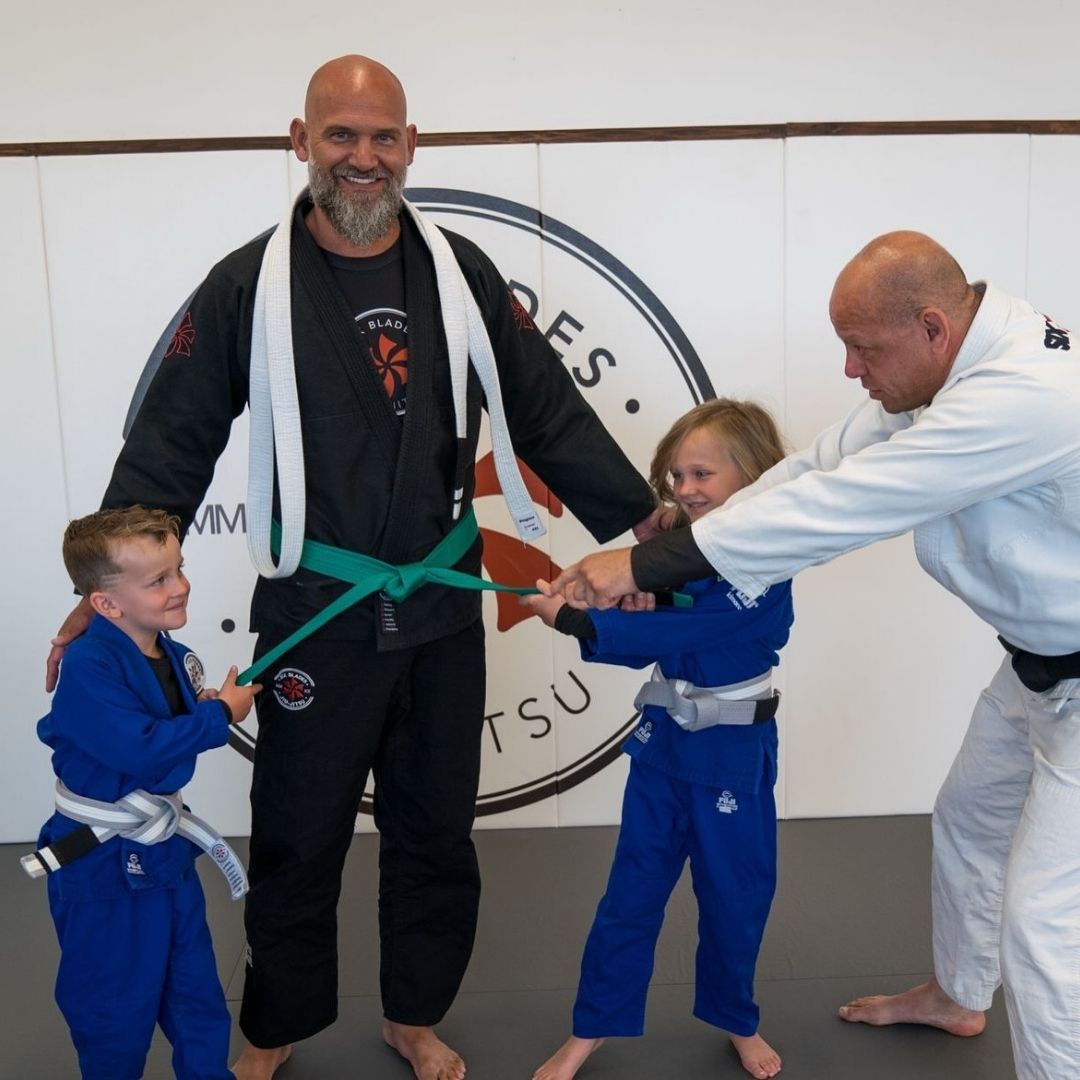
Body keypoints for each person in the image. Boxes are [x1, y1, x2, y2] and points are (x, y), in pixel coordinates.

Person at [45, 55, 657, 1080]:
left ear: (411, 147)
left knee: (434, 835)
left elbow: (548, 409)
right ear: (300, 141)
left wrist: (648, 533)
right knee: (297, 834)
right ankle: (275, 1023)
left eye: (383, 138)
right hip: (316, 609)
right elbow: (169, 444)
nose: (362, 158)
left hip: (440, 614)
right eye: (341, 136)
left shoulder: (460, 270)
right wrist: (98, 594)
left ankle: (413, 1015)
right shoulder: (247, 284)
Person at [546, 231, 1080, 1080]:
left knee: (1043, 916)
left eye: (863, 349)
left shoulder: (1025, 397)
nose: (848, 370)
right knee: (968, 818)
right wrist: (661, 558)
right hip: (1036, 664)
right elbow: (817, 468)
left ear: (933, 328)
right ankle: (959, 994)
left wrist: (641, 564)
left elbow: (847, 503)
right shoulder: (946, 369)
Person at [523, 399, 791, 1080]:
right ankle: (592, 1028)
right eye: (675, 477)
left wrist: (572, 622)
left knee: (736, 896)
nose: (684, 490)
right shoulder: (677, 550)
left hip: (732, 760)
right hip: (663, 752)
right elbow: (673, 601)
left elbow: (685, 629)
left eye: (702, 473)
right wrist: (609, 595)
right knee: (630, 894)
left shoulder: (766, 564)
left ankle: (737, 1019)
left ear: (753, 477)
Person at [28, 506, 260, 1080]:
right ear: (104, 603)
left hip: (165, 858)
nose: (180, 586)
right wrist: (220, 717)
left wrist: (208, 708)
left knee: (197, 994)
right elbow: (143, 749)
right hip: (102, 865)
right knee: (112, 1008)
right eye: (158, 580)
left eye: (179, 569)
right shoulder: (88, 665)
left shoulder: (171, 654)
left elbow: (164, 744)